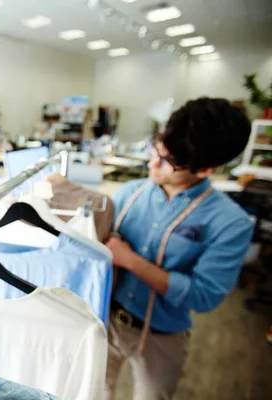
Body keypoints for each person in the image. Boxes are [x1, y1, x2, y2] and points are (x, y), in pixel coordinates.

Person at [105, 98, 254, 399]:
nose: (152, 164)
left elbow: (203, 295)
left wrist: (132, 261)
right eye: (155, 152)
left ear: (206, 168)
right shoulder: (129, 194)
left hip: (161, 335)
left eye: (166, 161)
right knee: (94, 390)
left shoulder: (229, 222)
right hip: (107, 320)